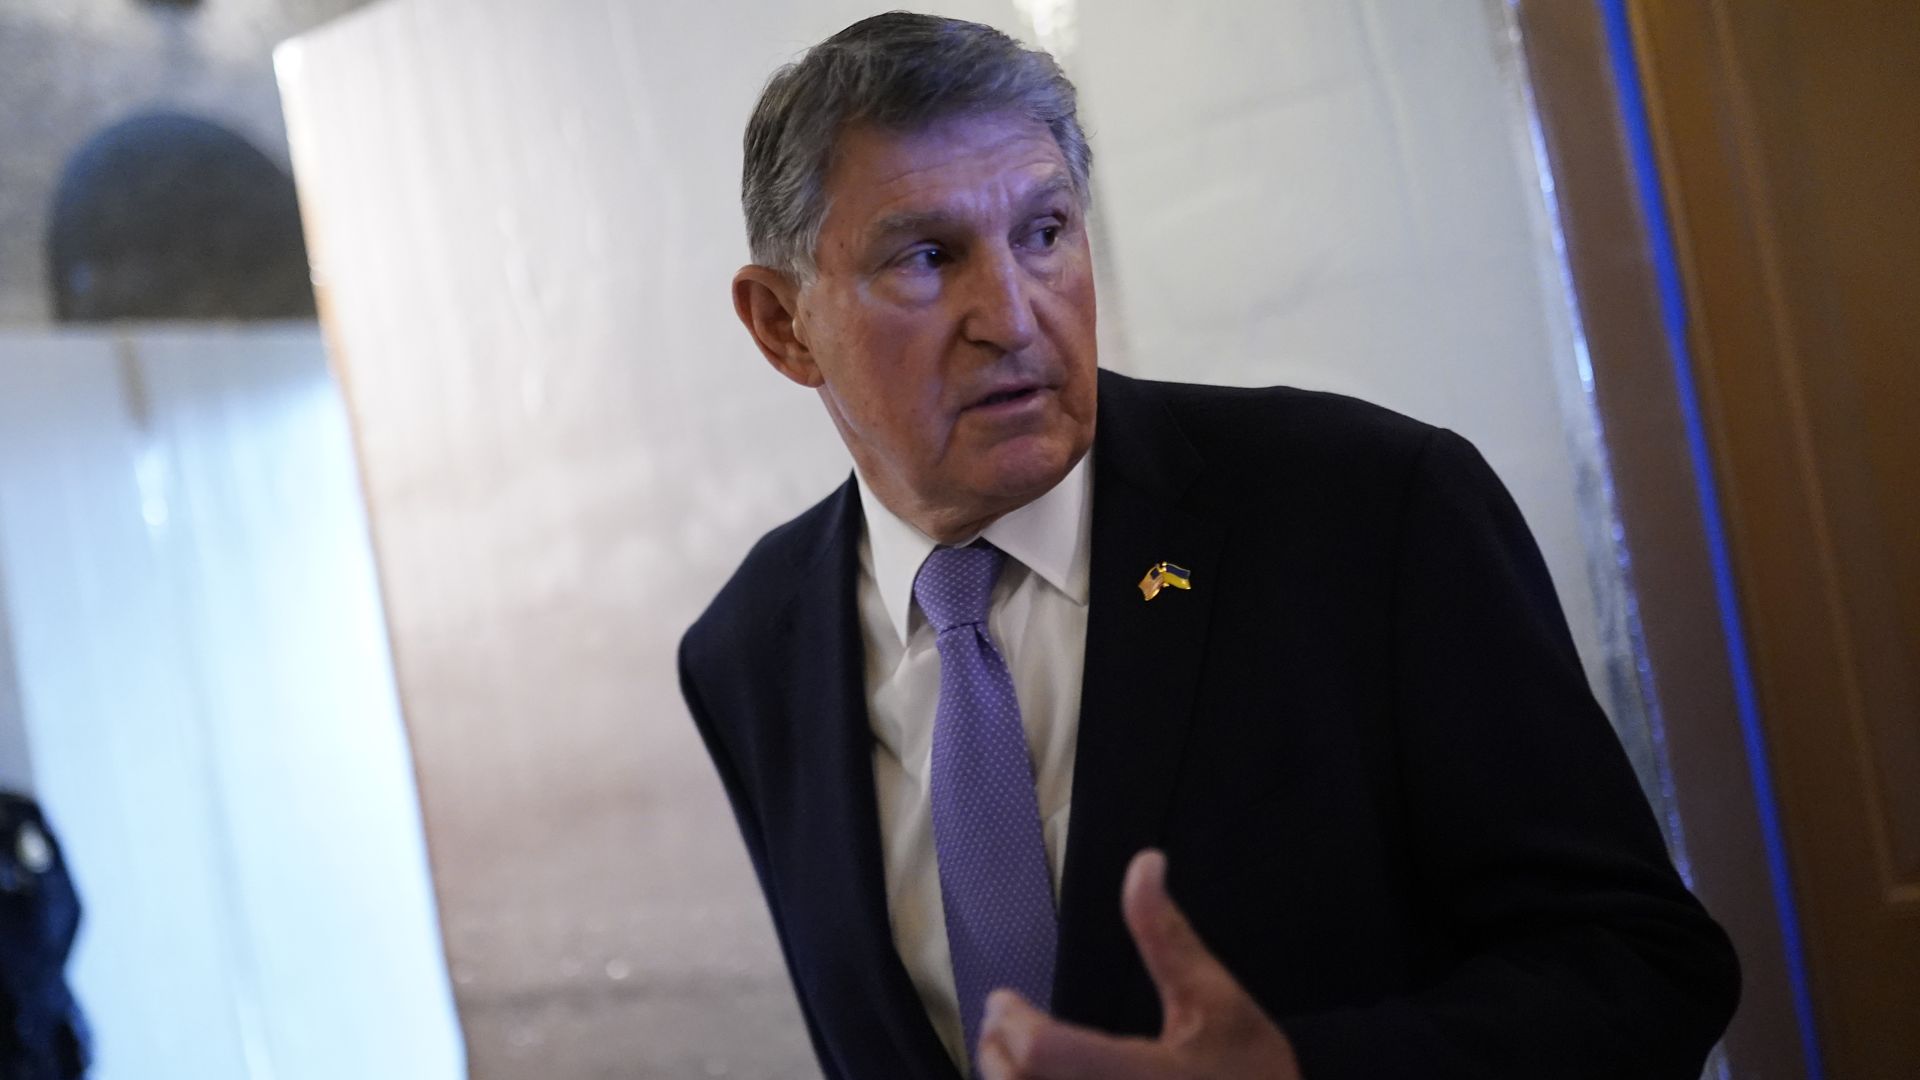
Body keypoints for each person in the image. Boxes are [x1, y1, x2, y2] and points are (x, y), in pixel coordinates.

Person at [678, 13, 1740, 1080]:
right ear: (784, 325)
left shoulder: (1365, 511)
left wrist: (1298, 1073)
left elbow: (1643, 971)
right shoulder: (751, 648)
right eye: (926, 256)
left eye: (1045, 232)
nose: (1011, 314)